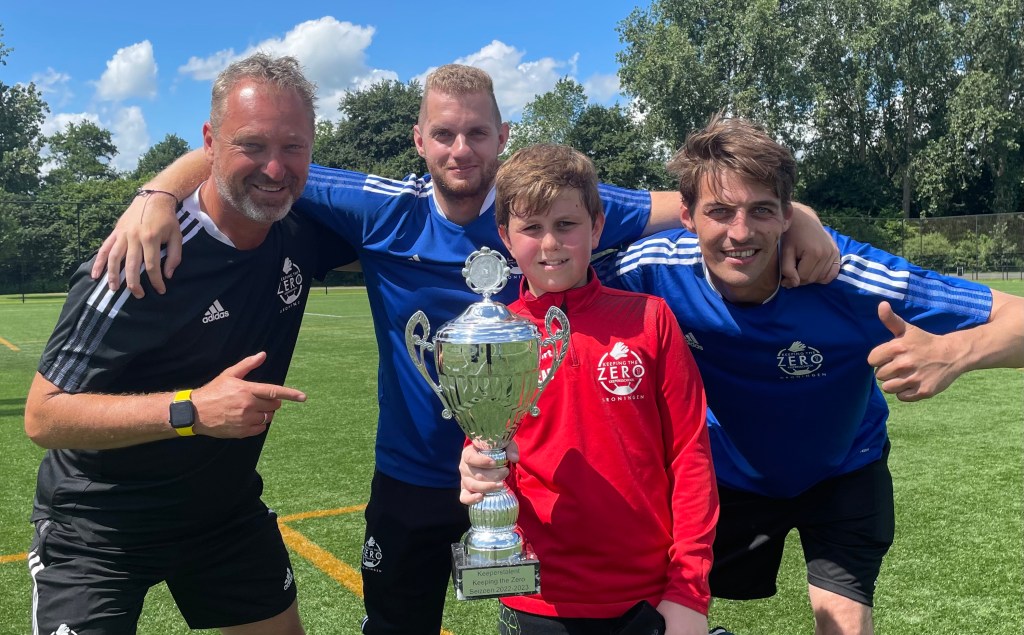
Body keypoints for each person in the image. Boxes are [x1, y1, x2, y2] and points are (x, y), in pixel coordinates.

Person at [89, 65, 838, 635]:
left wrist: (798, 213)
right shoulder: (380, 206)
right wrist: (156, 193)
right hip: (414, 477)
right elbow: (254, 158)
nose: (460, 149)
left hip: (529, 482)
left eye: (477, 133)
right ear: (419, 140)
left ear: (502, 137)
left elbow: (703, 202)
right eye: (444, 134)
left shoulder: (541, 205)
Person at [597, 115, 1024, 635]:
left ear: (786, 215)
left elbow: (1017, 315)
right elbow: (555, 277)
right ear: (686, 215)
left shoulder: (851, 278)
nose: (740, 232)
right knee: (651, 615)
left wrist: (955, 352)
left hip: (844, 469)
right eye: (719, 211)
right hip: (725, 476)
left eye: (761, 210)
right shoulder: (651, 270)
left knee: (844, 626)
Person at [24, 53, 355, 635]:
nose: (275, 168)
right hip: (99, 527)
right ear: (210, 142)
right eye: (251, 145)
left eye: (294, 147)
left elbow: (414, 221)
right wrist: (191, 411)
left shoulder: (301, 228)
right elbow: (44, 417)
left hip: (222, 514)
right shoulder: (141, 258)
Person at [459, 144, 718, 635]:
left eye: (566, 225)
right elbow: (487, 442)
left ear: (597, 228)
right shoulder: (495, 335)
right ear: (505, 238)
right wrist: (475, 466)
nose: (550, 243)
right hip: (535, 595)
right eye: (531, 228)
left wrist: (689, 590)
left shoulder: (649, 319)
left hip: (645, 594)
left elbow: (691, 456)